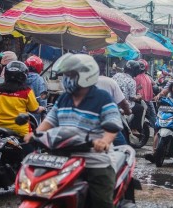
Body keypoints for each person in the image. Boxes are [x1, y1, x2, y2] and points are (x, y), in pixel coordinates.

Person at [24, 53, 123, 208]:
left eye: (71, 75)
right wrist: (34, 134)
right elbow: (50, 120)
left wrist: (104, 141)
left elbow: (112, 124)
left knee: (101, 202)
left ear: (86, 75)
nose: (66, 78)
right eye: (66, 75)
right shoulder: (64, 98)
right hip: (63, 158)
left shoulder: (102, 98)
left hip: (93, 159)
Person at [0, 61, 45, 138]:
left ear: (6, 74)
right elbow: (34, 109)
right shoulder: (27, 91)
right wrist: (42, 108)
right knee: (32, 147)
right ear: (24, 76)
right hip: (20, 131)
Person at [94, 55, 131, 146]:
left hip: (87, 123)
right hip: (107, 121)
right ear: (105, 67)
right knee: (124, 149)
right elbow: (123, 103)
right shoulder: (110, 82)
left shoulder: (83, 82)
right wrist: (128, 111)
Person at [112, 60, 144, 136]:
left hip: (113, 102)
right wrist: (139, 96)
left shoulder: (116, 75)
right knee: (140, 108)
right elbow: (132, 97)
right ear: (134, 70)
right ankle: (134, 129)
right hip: (124, 104)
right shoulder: (132, 81)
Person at [25, 55, 48, 124]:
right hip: (34, 115)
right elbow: (42, 99)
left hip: (20, 113)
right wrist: (44, 111)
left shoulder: (21, 77)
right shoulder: (39, 79)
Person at [135, 59, 156, 129]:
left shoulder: (134, 77)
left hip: (139, 99)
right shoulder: (147, 76)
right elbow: (154, 84)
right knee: (153, 117)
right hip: (144, 100)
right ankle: (155, 130)